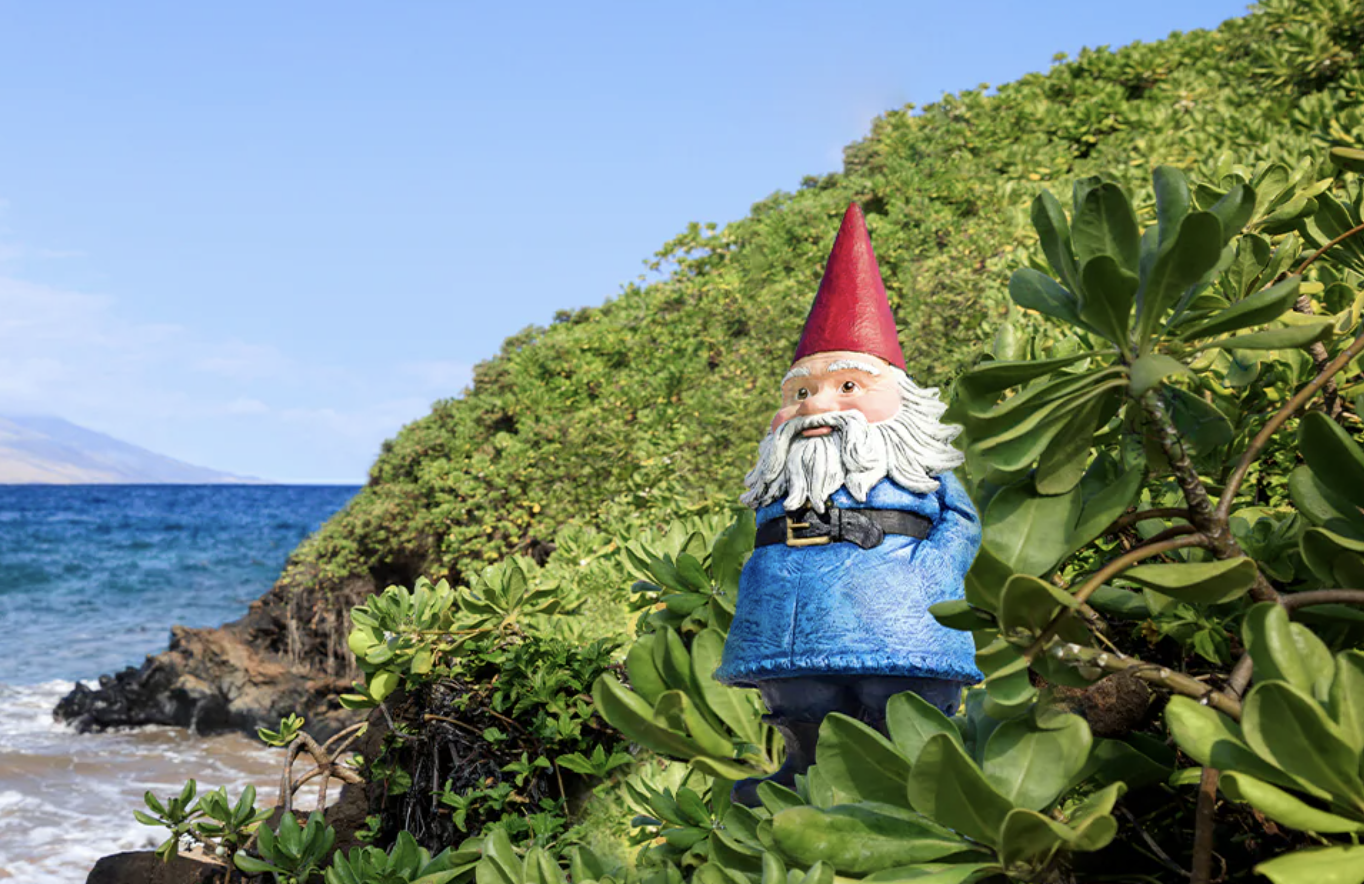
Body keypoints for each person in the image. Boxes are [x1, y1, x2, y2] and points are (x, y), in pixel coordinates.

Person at [714, 203, 981, 806]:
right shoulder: (785, 471)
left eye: (847, 387)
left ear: (899, 400)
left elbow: (959, 524)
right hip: (790, 625)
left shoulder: (913, 465)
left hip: (898, 618)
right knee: (801, 701)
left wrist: (930, 576)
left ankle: (919, 788)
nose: (815, 405)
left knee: (897, 700)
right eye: (800, 391)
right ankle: (803, 774)